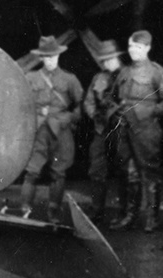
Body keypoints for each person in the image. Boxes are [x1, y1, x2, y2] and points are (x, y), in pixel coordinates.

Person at [110, 30, 163, 232]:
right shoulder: (124, 72)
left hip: (146, 129)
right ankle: (129, 217)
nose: (133, 50)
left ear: (148, 48)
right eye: (131, 46)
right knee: (128, 173)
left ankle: (152, 219)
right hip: (125, 127)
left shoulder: (157, 72)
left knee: (150, 173)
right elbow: (114, 96)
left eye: (138, 47)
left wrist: (147, 111)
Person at [19, 36, 83, 223]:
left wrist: (69, 118)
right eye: (46, 57)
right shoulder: (30, 78)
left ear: (58, 56)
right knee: (31, 171)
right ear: (41, 58)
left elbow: (81, 105)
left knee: (59, 172)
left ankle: (53, 212)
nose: (50, 60)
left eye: (53, 56)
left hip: (61, 130)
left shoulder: (69, 79)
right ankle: (25, 211)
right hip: (38, 129)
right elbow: (22, 103)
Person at [83, 40, 127, 223]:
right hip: (101, 128)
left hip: (121, 127)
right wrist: (95, 114)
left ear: (118, 56)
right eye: (104, 60)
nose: (107, 63)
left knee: (124, 169)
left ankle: (124, 212)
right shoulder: (98, 77)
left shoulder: (128, 75)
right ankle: (97, 209)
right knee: (96, 169)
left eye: (110, 58)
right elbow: (88, 100)